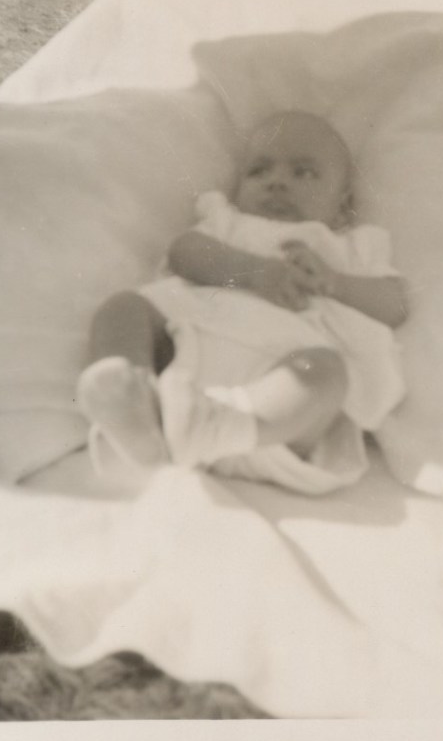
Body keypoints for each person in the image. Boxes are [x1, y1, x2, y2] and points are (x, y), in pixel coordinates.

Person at [78, 110, 408, 495]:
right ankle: (132, 398)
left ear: (342, 205)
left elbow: (395, 305)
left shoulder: (349, 246)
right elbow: (185, 253)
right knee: (122, 308)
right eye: (259, 171)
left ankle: (214, 427)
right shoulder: (229, 223)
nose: (277, 182)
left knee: (326, 372)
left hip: (273, 420)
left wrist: (334, 282)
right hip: (185, 365)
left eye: (303, 172)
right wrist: (252, 272)